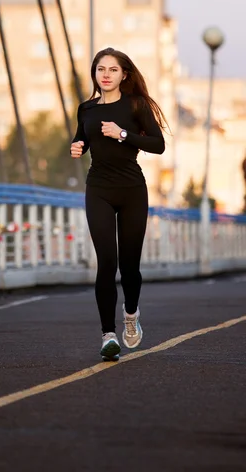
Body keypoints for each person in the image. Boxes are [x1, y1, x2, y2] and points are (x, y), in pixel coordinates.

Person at [70, 47, 168, 361]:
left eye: (113, 70)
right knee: (107, 262)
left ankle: (130, 315)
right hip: (98, 188)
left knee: (128, 266)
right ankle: (107, 335)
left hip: (132, 190)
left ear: (124, 74)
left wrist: (123, 133)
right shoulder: (86, 109)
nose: (106, 75)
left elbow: (158, 144)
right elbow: (83, 140)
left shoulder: (135, 105)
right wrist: (77, 146)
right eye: (101, 69)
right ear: (94, 74)